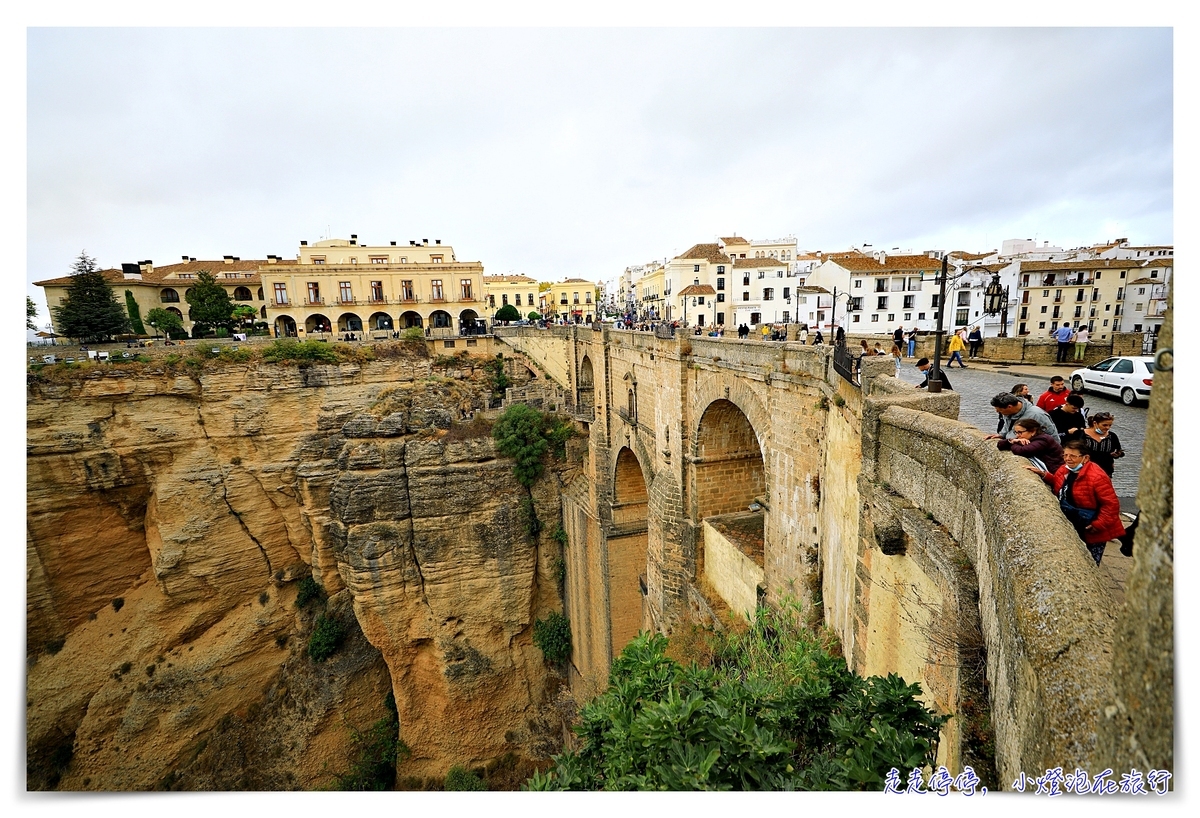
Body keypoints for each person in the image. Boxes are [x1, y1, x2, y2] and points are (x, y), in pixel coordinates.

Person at [1026, 439, 1124, 565]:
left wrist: (1099, 524)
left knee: (1090, 562)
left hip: (1092, 525)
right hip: (1075, 519)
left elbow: (1111, 504)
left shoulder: (1097, 476)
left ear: (1085, 458)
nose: (1068, 459)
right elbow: (1058, 483)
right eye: (1065, 455)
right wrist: (1044, 474)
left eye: (1072, 456)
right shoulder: (1065, 469)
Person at [996, 418, 1065, 474]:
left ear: (1033, 432)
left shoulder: (1043, 440)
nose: (1017, 435)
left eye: (1020, 432)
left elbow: (1023, 451)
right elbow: (1000, 445)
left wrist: (1013, 443)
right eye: (1016, 432)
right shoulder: (1024, 438)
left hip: (1055, 471)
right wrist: (1012, 441)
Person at [985, 392, 1056, 441]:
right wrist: (1002, 435)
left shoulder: (1037, 414)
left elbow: (1052, 437)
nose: (997, 412)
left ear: (1009, 407)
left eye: (1000, 410)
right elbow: (1007, 427)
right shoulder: (1008, 412)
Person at [1081, 412, 1125, 477]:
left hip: (1105, 470)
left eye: (1110, 425)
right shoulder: (1081, 434)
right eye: (1104, 425)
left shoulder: (1112, 436)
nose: (1107, 428)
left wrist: (1117, 454)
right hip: (1085, 469)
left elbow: (1119, 450)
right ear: (1095, 423)